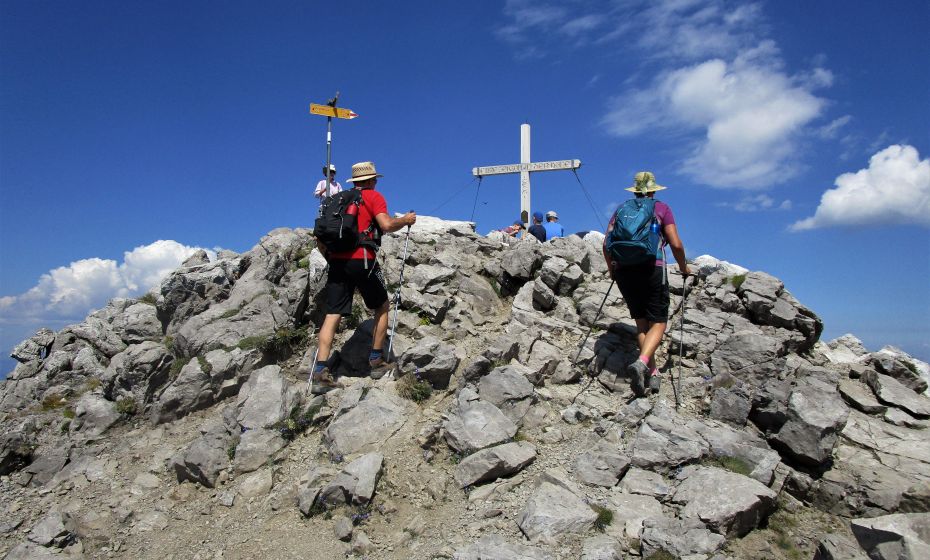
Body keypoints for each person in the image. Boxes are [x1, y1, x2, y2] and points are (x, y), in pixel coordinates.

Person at [312, 161, 416, 393]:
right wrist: (406, 220)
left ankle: (320, 370)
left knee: (333, 313)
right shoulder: (373, 197)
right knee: (382, 306)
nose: (376, 182)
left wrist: (331, 258)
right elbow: (386, 225)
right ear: (371, 180)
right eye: (375, 179)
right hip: (363, 260)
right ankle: (376, 361)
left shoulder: (336, 199)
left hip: (337, 261)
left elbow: (319, 237)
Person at [603, 171, 690, 397]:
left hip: (624, 271)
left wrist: (613, 270)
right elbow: (676, 244)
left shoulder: (622, 209)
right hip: (652, 268)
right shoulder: (661, 208)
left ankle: (652, 372)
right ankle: (642, 362)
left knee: (641, 324)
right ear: (652, 190)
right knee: (659, 322)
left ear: (634, 190)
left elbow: (606, 243)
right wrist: (684, 268)